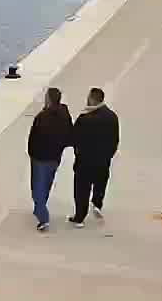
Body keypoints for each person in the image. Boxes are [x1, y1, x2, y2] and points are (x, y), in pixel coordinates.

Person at [69, 87, 120, 227]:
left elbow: (74, 137)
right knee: (100, 182)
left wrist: (77, 152)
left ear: (92, 99)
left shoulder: (84, 118)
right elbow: (115, 139)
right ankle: (97, 203)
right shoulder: (112, 116)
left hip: (85, 161)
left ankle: (80, 217)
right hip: (103, 160)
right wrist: (109, 154)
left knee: (82, 189)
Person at [27, 87, 73, 231]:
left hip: (40, 157)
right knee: (46, 184)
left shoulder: (42, 117)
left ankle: (43, 217)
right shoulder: (65, 115)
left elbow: (34, 137)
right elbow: (70, 135)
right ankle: (39, 208)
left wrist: (31, 153)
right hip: (54, 157)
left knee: (37, 188)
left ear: (49, 100)